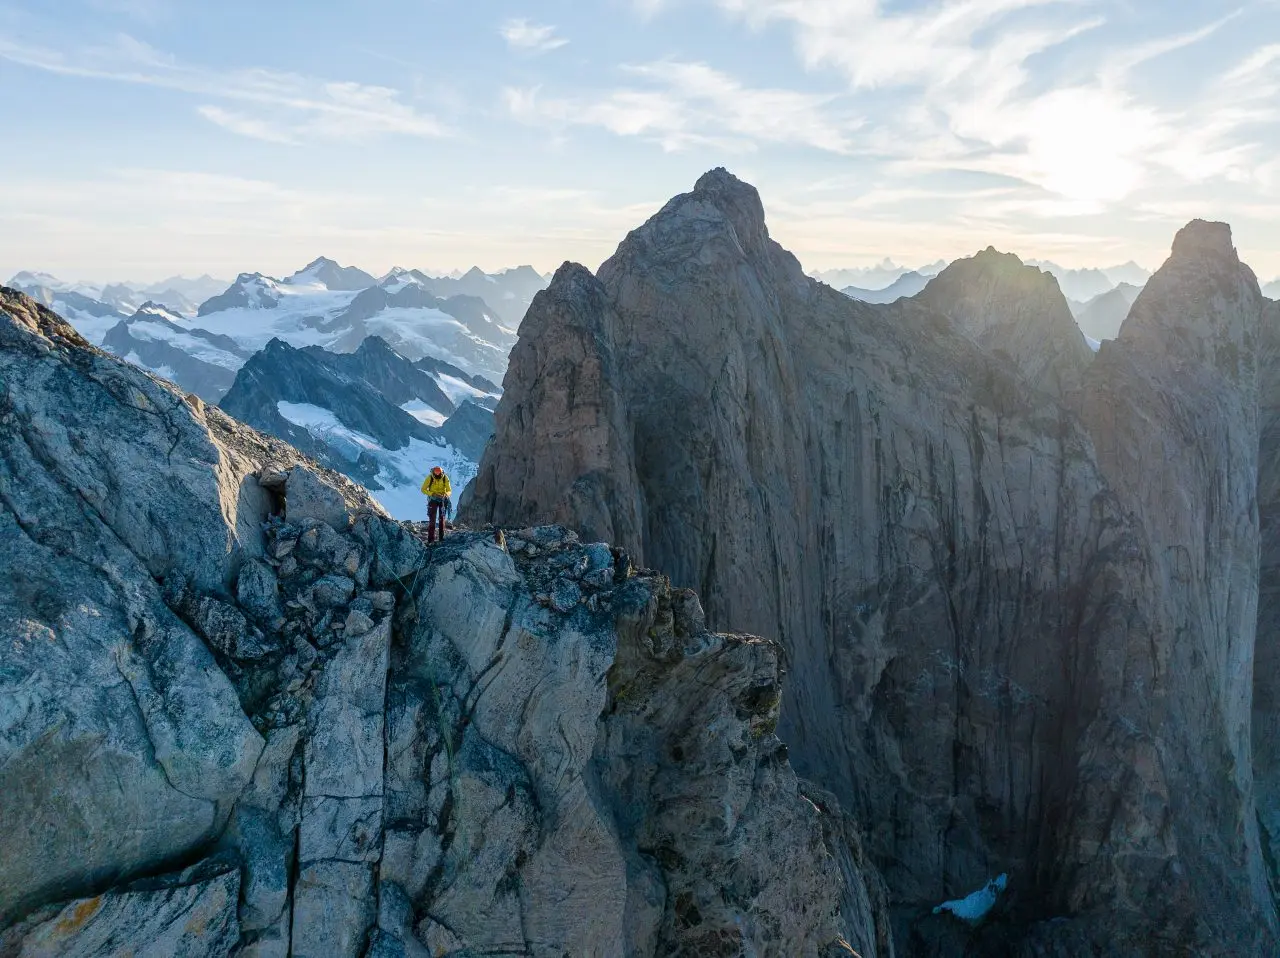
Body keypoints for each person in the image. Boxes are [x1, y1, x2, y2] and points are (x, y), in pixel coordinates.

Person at [420, 466, 452, 543]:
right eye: (436, 472)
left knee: (442, 519)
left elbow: (449, 490)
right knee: (432, 519)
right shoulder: (430, 478)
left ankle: (441, 538)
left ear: (441, 472)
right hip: (433, 500)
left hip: (442, 500)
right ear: (433, 472)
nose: (437, 474)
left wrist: (445, 495)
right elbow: (423, 489)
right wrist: (432, 494)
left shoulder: (445, 478)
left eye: (438, 472)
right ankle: (431, 540)